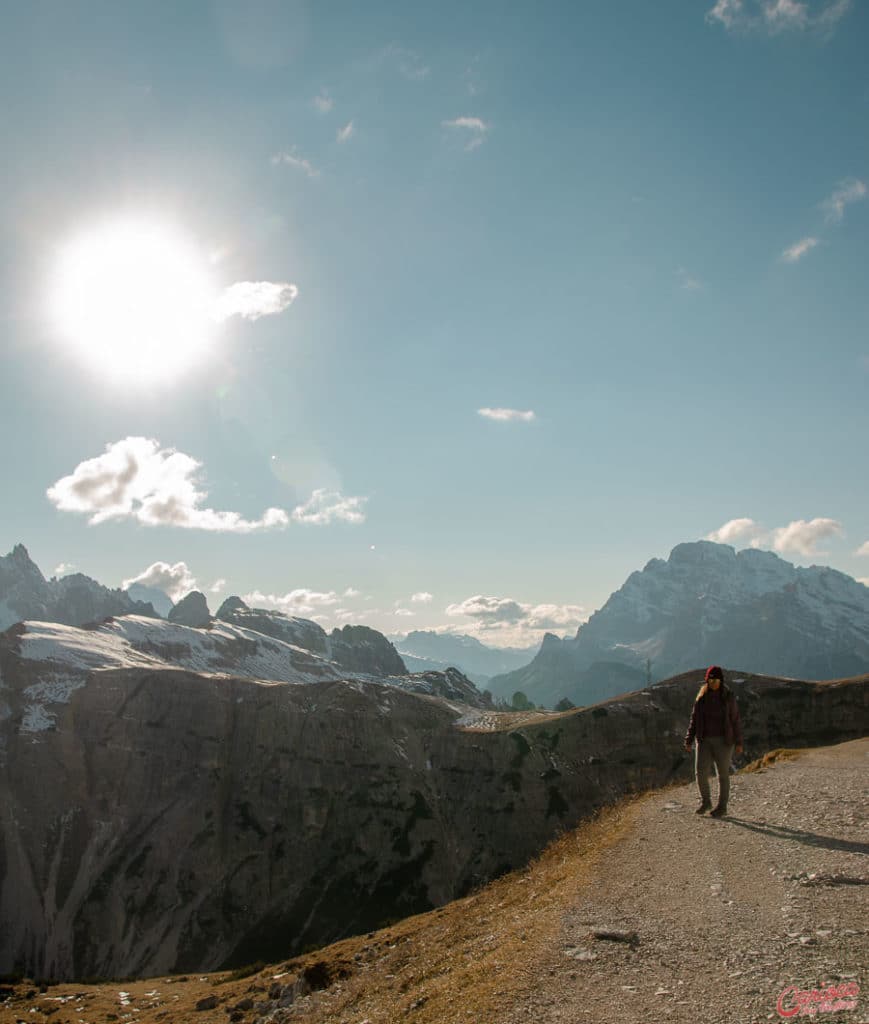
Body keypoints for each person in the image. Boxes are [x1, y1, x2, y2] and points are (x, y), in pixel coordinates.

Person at [684, 665, 743, 817]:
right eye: (710, 680)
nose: (713, 683)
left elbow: (735, 720)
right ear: (707, 680)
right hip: (704, 741)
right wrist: (689, 739)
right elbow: (694, 720)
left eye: (716, 680)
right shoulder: (701, 698)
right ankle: (706, 802)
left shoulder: (728, 697)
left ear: (721, 680)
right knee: (700, 772)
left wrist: (739, 742)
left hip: (724, 741)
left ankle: (722, 807)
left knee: (722, 774)